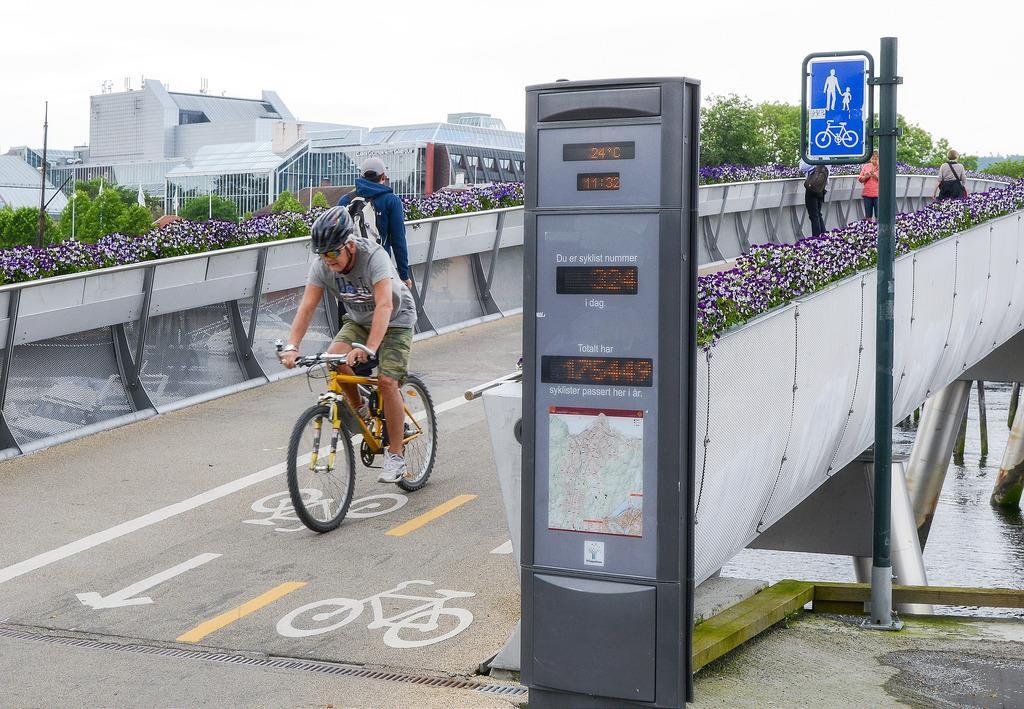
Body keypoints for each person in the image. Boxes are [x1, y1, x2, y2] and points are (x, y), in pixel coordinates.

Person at [280, 207, 418, 483]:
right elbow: (307, 307)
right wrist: (292, 345)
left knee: (388, 381)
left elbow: (384, 305)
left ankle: (395, 455)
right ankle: (362, 412)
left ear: (350, 244)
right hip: (357, 320)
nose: (327, 260)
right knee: (334, 360)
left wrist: (368, 348)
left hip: (395, 319)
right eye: (322, 254)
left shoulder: (373, 257)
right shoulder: (323, 266)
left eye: (332, 253)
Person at [339, 157, 412, 291]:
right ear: (383, 177)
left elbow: (337, 237)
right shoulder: (391, 201)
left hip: (350, 272)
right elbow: (398, 241)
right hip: (380, 270)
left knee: (352, 310)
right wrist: (403, 275)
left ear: (361, 177)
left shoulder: (346, 200)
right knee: (382, 308)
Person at [799, 158, 828, 237]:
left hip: (812, 188)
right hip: (822, 188)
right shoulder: (827, 157)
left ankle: (816, 238)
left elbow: (802, 167)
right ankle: (823, 237)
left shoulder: (813, 157)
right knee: (818, 214)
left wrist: (811, 160)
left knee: (814, 216)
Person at [858, 150, 880, 221]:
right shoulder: (866, 166)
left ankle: (878, 228)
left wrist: (875, 176)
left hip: (878, 195)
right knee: (868, 215)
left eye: (876, 159)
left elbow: (885, 180)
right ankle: (868, 228)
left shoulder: (882, 167)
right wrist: (865, 177)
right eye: (872, 159)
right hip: (867, 194)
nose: (874, 161)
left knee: (879, 215)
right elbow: (860, 179)